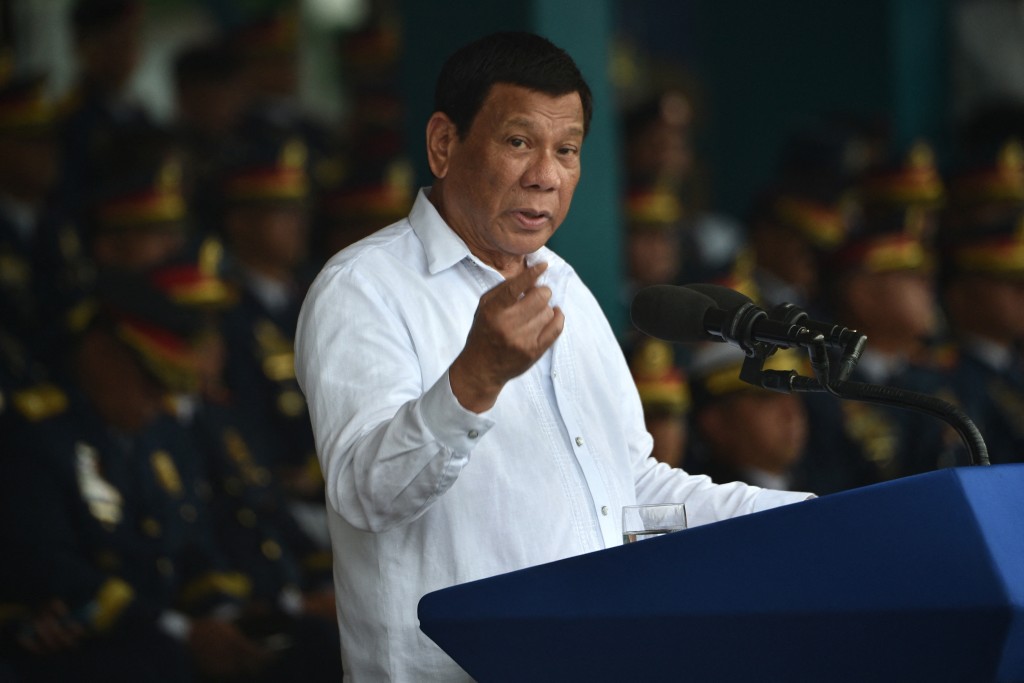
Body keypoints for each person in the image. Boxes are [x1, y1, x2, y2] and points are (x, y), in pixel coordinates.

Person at [294, 31, 814, 681]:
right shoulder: (365, 289)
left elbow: (631, 487)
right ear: (444, 144)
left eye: (566, 150)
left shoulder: (565, 286)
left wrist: (808, 521)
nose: (545, 174)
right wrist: (472, 380)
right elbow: (366, 493)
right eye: (519, 142)